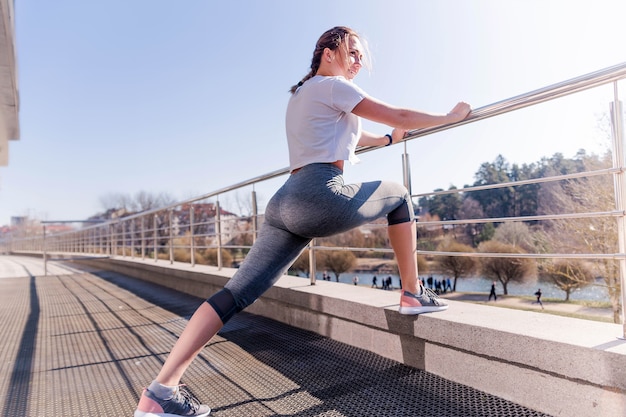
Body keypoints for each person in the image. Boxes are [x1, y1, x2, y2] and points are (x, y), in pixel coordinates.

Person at [134, 26, 471, 417]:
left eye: (363, 56)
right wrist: (451, 115)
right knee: (399, 194)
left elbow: (352, 136)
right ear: (328, 52)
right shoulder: (333, 85)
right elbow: (395, 113)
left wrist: (390, 141)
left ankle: (161, 392)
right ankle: (412, 293)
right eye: (354, 51)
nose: (359, 60)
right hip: (319, 194)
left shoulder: (304, 94)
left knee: (234, 295)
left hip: (284, 203)